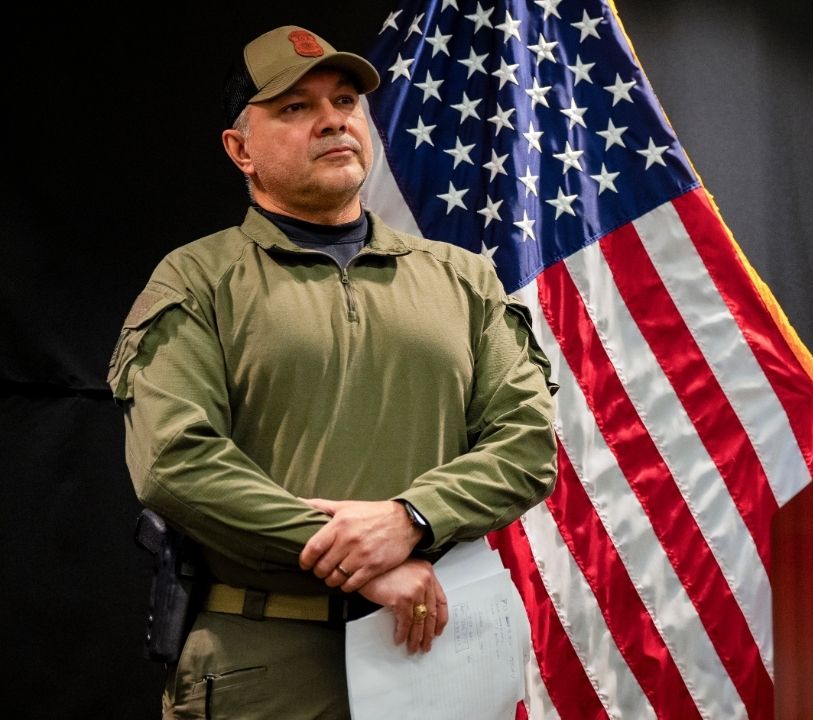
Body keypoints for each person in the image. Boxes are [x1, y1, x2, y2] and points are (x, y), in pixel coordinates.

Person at [106, 24, 558, 718]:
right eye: (294, 107)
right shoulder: (197, 281)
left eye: (344, 101)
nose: (332, 120)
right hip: (265, 663)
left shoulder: (463, 280)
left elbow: (525, 445)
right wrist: (360, 560)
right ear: (240, 149)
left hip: (437, 656)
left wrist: (412, 519)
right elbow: (176, 462)